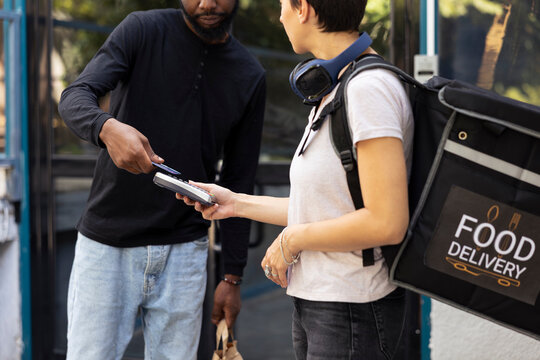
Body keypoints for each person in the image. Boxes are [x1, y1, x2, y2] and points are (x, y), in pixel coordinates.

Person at [179, 0, 413, 359]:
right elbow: (327, 207)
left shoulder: (368, 90)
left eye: (283, 5)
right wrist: (235, 203)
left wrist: (292, 240)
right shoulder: (337, 89)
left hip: (351, 308)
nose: (280, 15)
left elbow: (387, 222)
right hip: (322, 304)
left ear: (303, 8)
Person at [58, 0, 266, 359]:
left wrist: (232, 276)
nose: (207, 3)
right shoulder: (141, 29)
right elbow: (74, 97)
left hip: (186, 251)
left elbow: (239, 180)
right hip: (107, 247)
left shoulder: (250, 74)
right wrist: (105, 127)